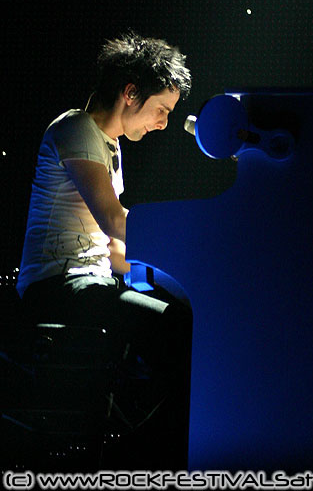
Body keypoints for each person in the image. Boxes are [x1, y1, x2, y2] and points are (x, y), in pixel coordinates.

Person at [16, 31, 193, 454]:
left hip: (88, 281)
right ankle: (150, 449)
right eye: (161, 110)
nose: (163, 123)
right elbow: (113, 220)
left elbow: (113, 249)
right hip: (55, 284)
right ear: (130, 93)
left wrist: (175, 278)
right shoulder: (76, 127)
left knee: (182, 314)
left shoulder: (110, 145)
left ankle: (155, 440)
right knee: (174, 326)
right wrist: (182, 245)